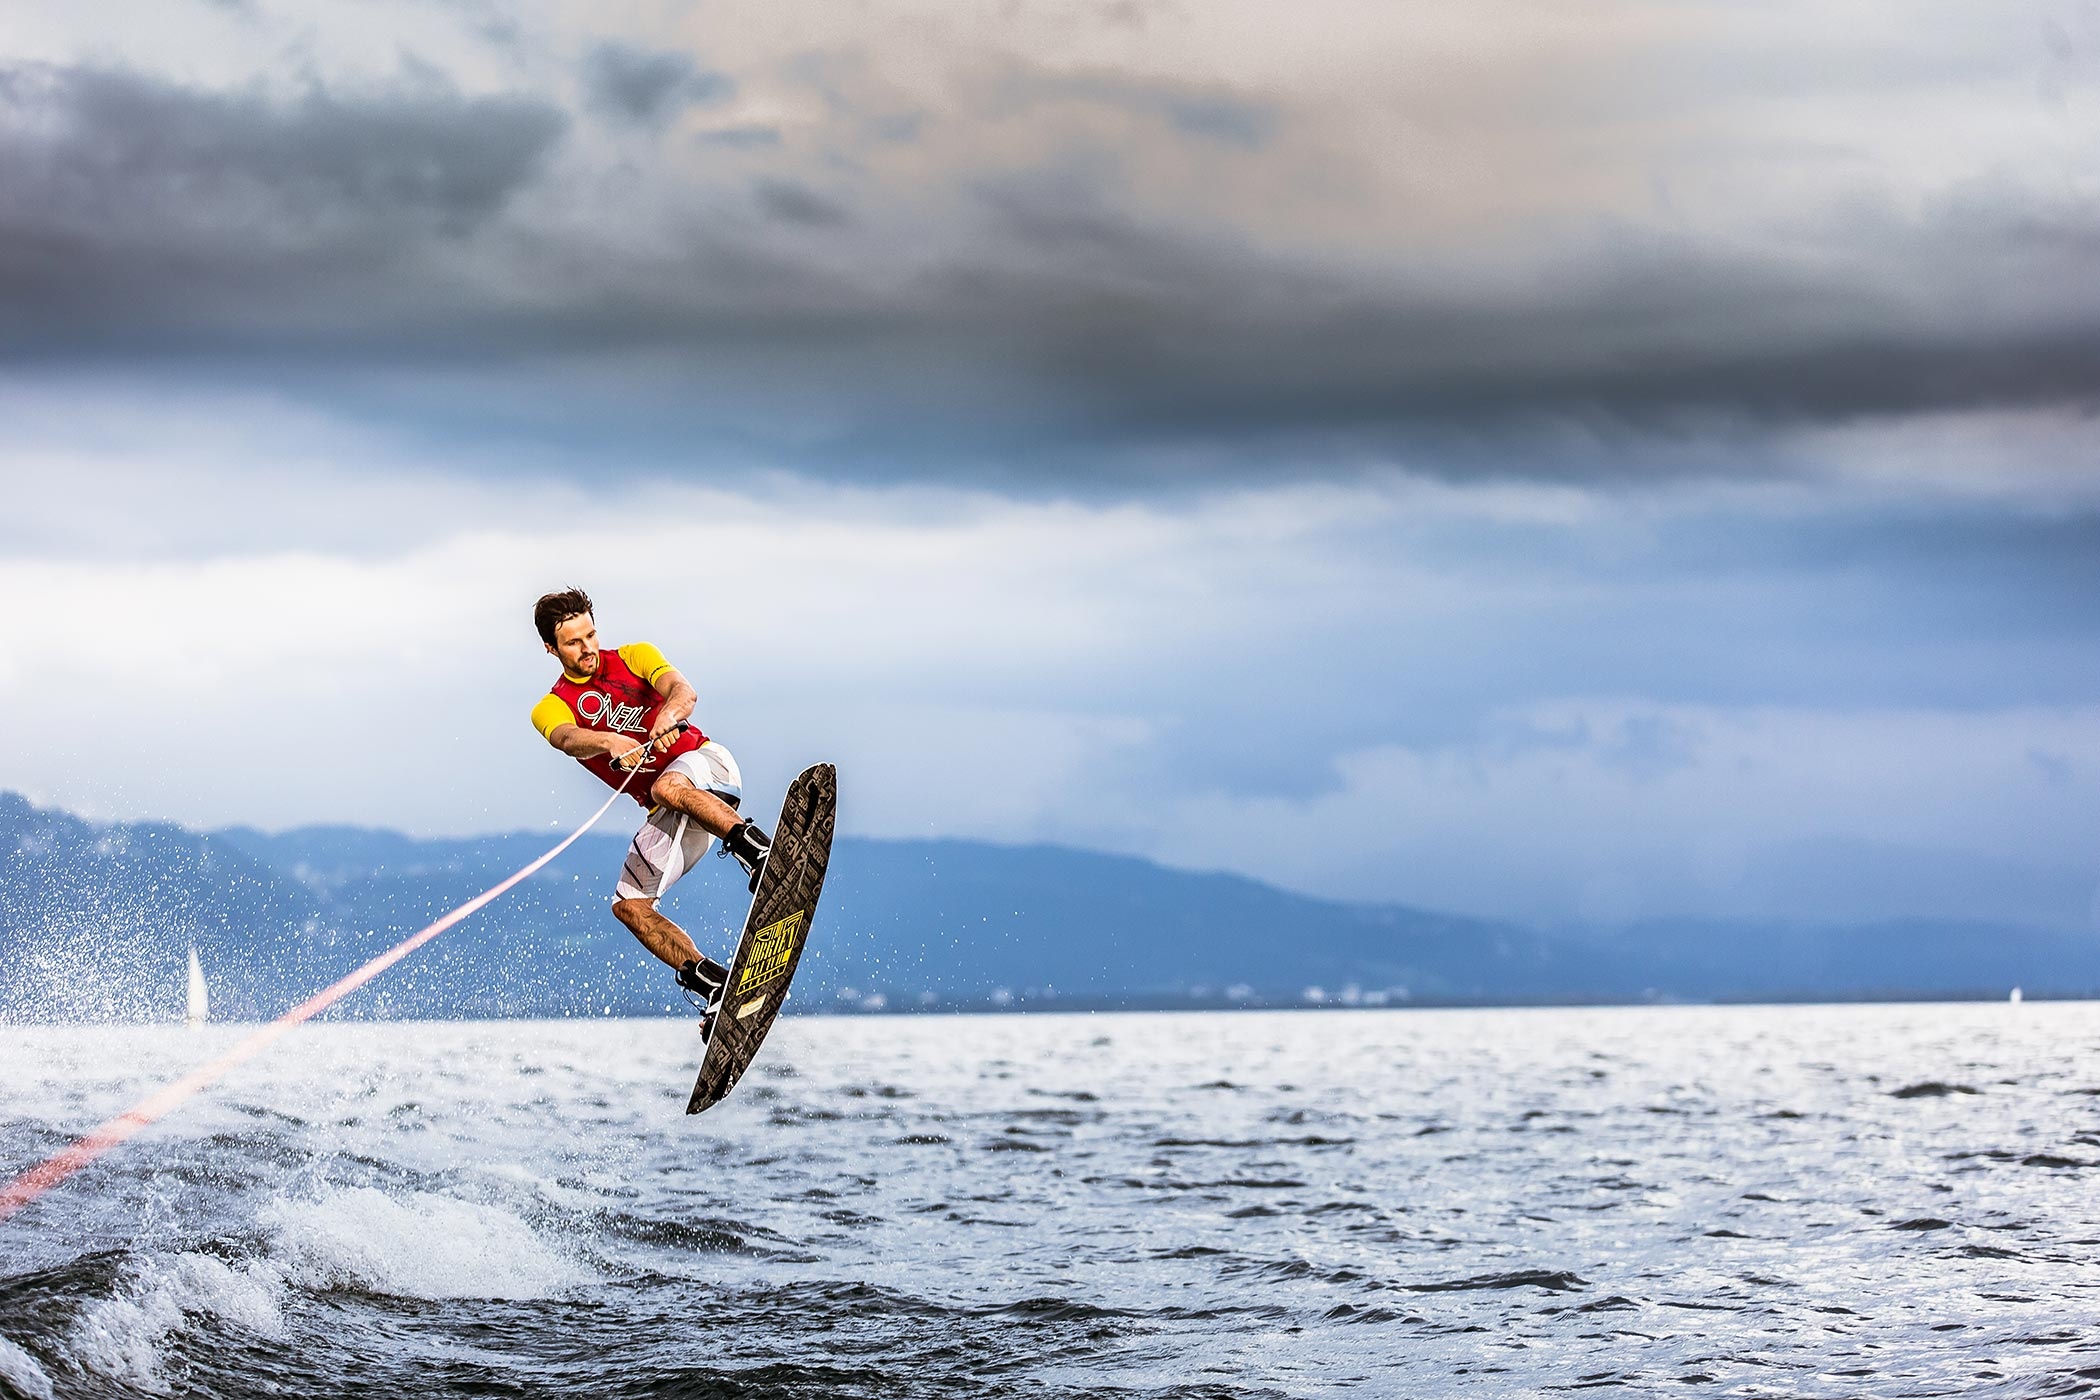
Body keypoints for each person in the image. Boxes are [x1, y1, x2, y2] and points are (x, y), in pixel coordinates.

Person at [529, 587, 770, 1024]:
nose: (588, 649)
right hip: (673, 810)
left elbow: (683, 690)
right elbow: (566, 739)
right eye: (573, 643)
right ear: (551, 648)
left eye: (591, 635)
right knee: (628, 905)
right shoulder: (550, 706)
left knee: (665, 786)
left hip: (708, 770)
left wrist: (668, 715)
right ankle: (713, 986)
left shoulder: (635, 656)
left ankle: (757, 850)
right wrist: (608, 740)